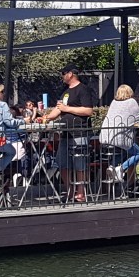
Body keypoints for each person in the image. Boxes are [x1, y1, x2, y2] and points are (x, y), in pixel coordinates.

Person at [39, 64, 94, 203]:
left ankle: (81, 193)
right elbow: (59, 109)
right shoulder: (65, 91)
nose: (62, 76)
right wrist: (47, 117)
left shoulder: (83, 89)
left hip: (79, 132)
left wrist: (67, 108)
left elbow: (88, 111)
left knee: (80, 164)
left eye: (64, 73)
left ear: (71, 74)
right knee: (62, 163)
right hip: (65, 133)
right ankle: (69, 190)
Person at [99, 84, 139, 186]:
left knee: (121, 151)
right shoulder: (132, 102)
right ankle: (121, 168)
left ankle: (113, 167)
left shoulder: (113, 102)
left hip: (105, 137)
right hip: (119, 138)